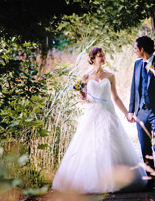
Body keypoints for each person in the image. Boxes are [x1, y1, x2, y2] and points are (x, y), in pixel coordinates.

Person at [52, 47, 147, 193]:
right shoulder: (85, 77)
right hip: (92, 113)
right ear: (93, 59)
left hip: (108, 112)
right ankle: (92, 181)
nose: (102, 58)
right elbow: (84, 98)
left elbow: (115, 97)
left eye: (103, 55)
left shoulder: (110, 76)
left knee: (111, 143)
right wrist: (83, 97)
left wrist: (127, 113)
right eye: (99, 56)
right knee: (90, 145)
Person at [126, 35, 155, 193]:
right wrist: (131, 110)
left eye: (135, 48)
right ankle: (150, 180)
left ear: (142, 49)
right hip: (141, 112)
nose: (134, 51)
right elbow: (134, 88)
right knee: (145, 147)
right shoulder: (137, 64)